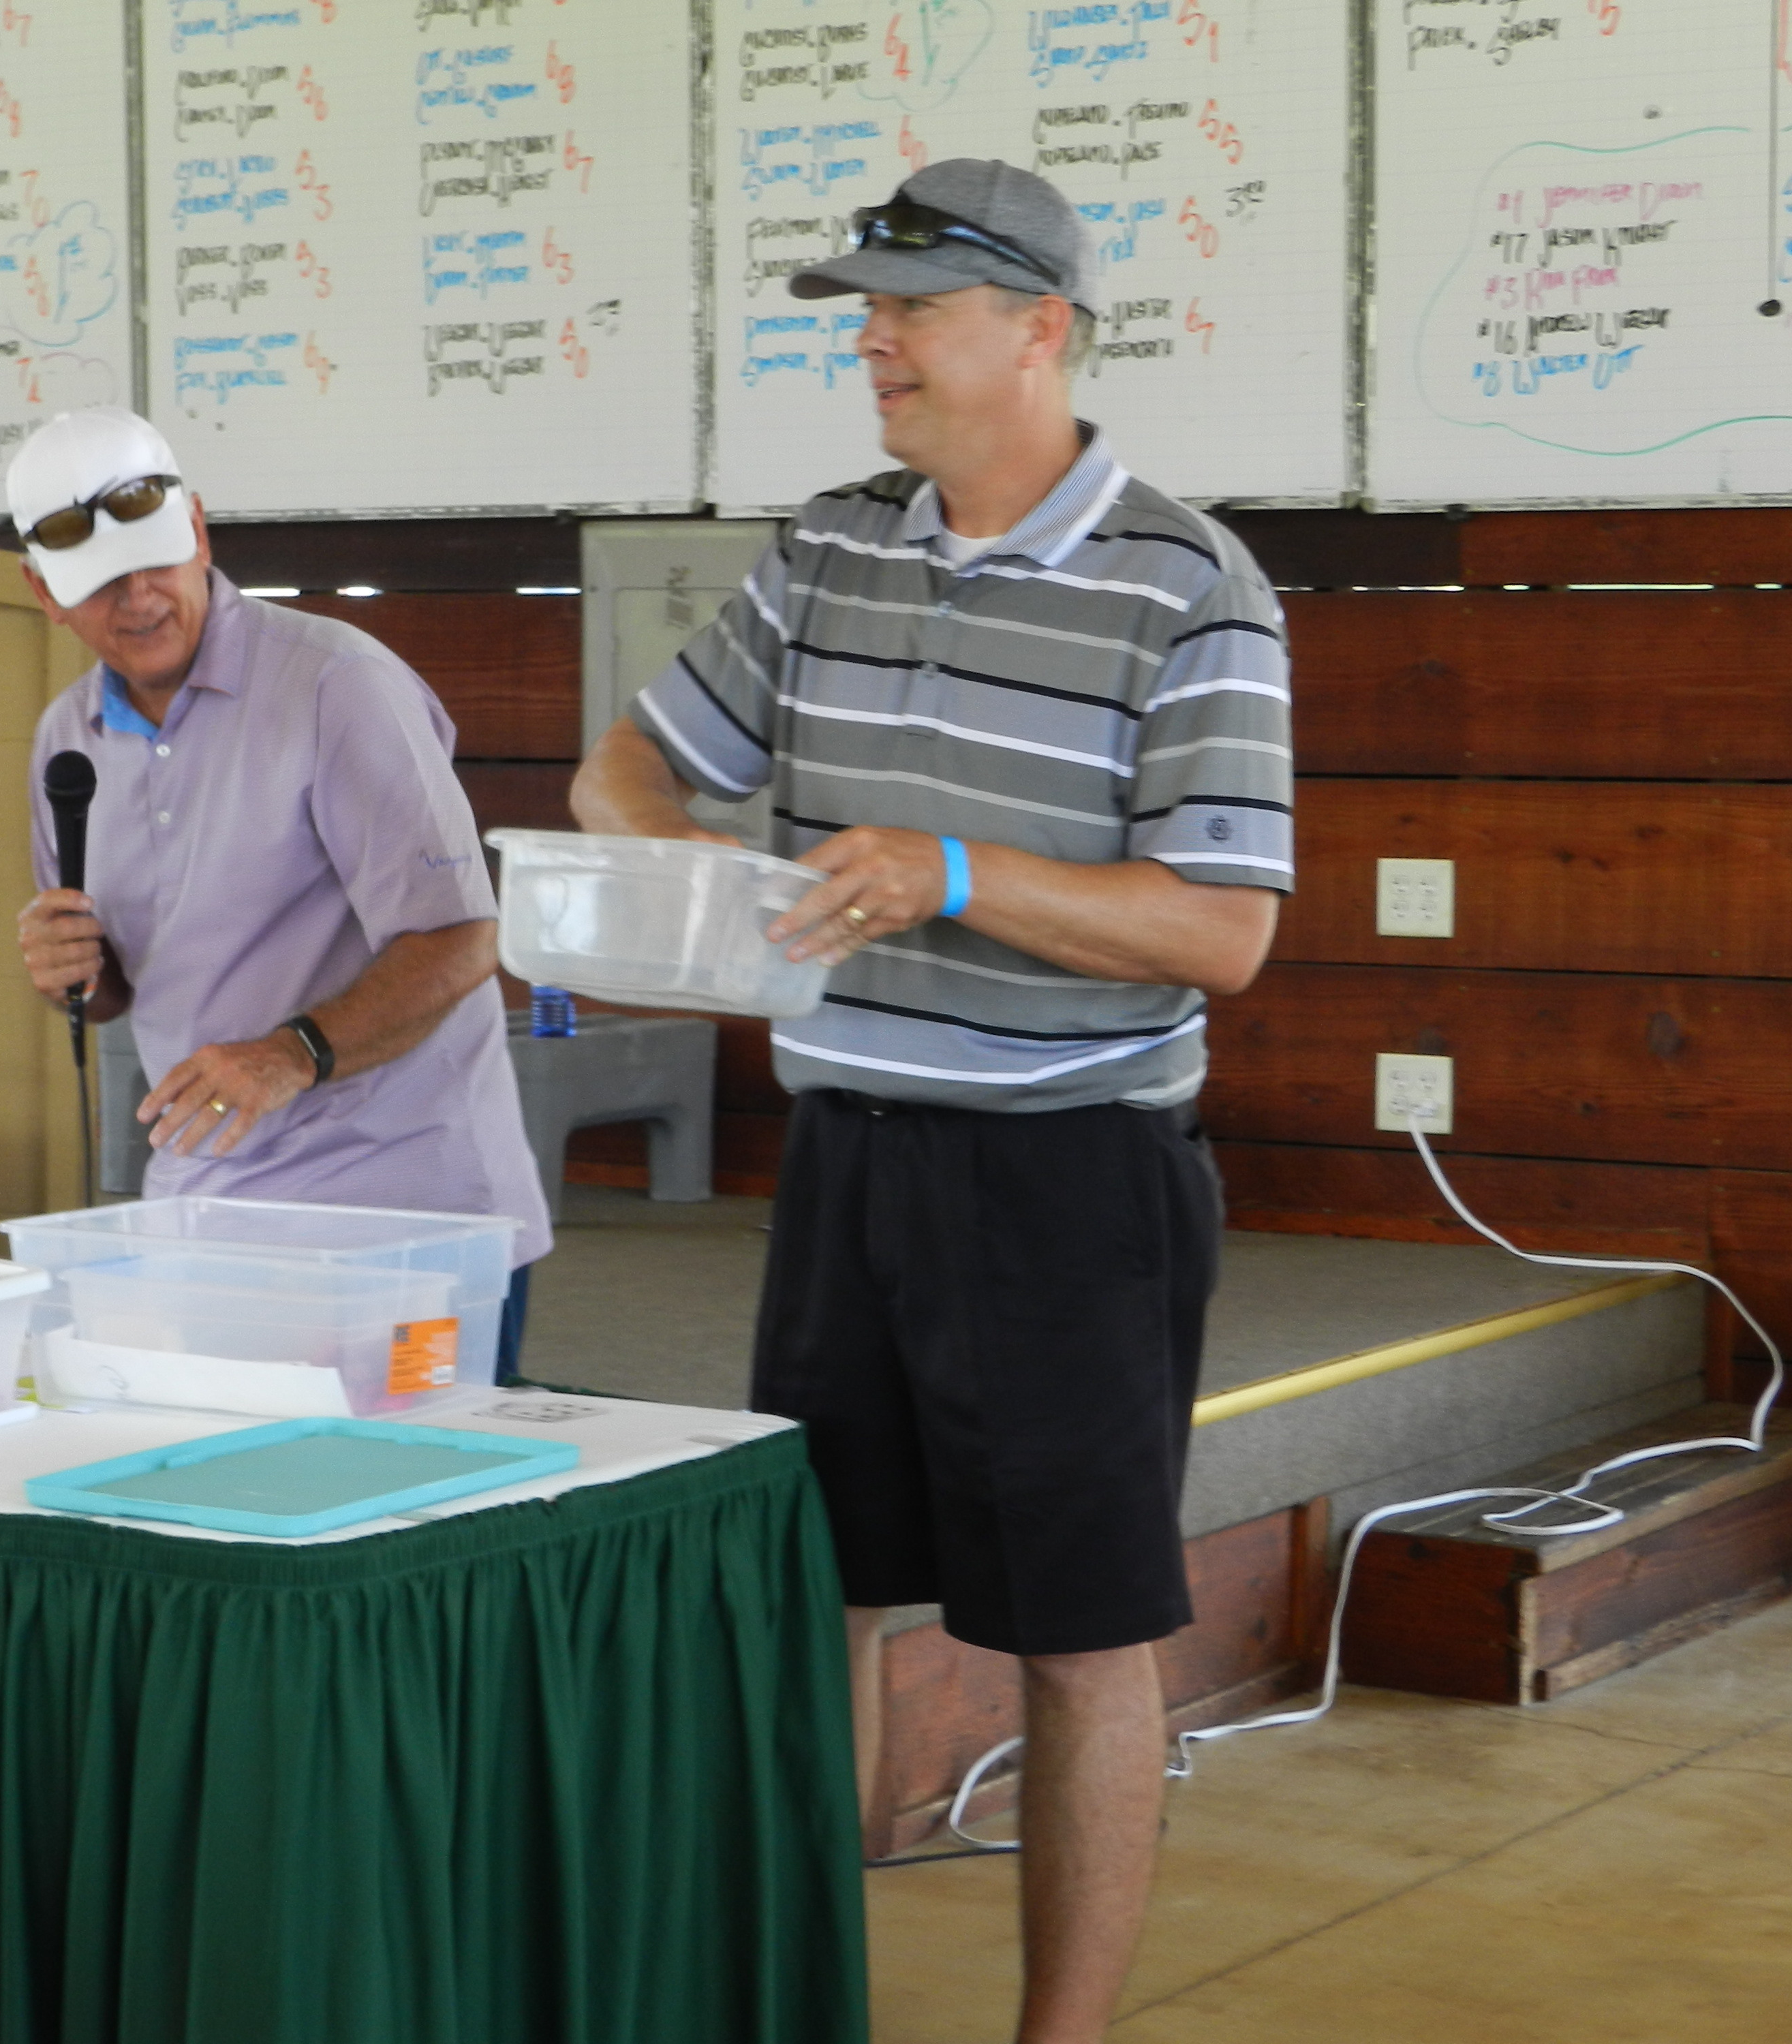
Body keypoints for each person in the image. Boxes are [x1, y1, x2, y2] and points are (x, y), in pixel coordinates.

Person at [571, 160, 1288, 2044]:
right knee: (816, 1597)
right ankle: (806, 1996)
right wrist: (684, 875)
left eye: (909, 307)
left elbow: (1221, 931)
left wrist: (955, 874)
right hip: (846, 1162)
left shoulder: (1190, 586)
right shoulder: (828, 548)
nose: (870, 341)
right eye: (863, 310)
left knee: (1081, 1639)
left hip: (1070, 1183)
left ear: (1039, 327)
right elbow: (625, 767)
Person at [11, 405, 551, 1365]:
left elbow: (464, 938)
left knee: (413, 1463)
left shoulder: (337, 685)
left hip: (408, 1223)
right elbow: (122, 988)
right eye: (100, 584)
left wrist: (291, 1053)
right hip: (208, 1217)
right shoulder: (67, 737)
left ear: (199, 531)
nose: (139, 600)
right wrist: (76, 976)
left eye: (155, 563)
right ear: (44, 593)